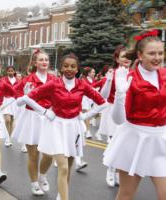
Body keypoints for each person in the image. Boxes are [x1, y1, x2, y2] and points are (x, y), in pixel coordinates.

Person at [17, 53, 107, 200]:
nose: (69, 69)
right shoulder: (54, 84)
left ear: (77, 69)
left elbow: (102, 103)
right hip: (56, 126)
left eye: (73, 66)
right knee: (63, 167)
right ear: (61, 68)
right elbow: (28, 98)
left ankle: (61, 193)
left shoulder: (82, 85)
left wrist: (85, 116)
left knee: (69, 166)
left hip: (74, 128)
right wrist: (45, 112)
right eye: (66, 66)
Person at [103, 29, 166, 200]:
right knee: (126, 194)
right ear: (140, 54)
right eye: (152, 53)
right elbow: (118, 119)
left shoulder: (164, 74)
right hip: (134, 139)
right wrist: (120, 95)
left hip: (160, 140)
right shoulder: (129, 79)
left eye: (161, 53)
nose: (157, 57)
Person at [12, 50, 56, 196]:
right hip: (32, 118)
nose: (44, 62)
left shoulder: (54, 79)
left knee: (49, 154)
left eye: (46, 60)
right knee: (34, 155)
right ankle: (34, 183)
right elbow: (17, 101)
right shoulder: (27, 80)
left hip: (49, 117)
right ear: (35, 63)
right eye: (41, 60)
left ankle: (42, 175)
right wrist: (24, 96)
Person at [96, 45, 132, 187]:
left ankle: (118, 172)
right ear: (117, 59)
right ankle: (111, 170)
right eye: (123, 56)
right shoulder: (113, 73)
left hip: (130, 113)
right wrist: (109, 80)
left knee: (126, 146)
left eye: (129, 56)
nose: (126, 59)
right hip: (113, 110)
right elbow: (102, 96)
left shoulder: (135, 73)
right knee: (115, 143)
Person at [1, 66, 19, 147]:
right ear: (7, 72)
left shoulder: (18, 81)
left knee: (12, 121)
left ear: (14, 71)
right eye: (9, 71)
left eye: (12, 71)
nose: (10, 72)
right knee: (7, 120)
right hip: (6, 100)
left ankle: (9, 138)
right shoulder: (3, 80)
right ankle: (7, 138)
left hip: (14, 102)